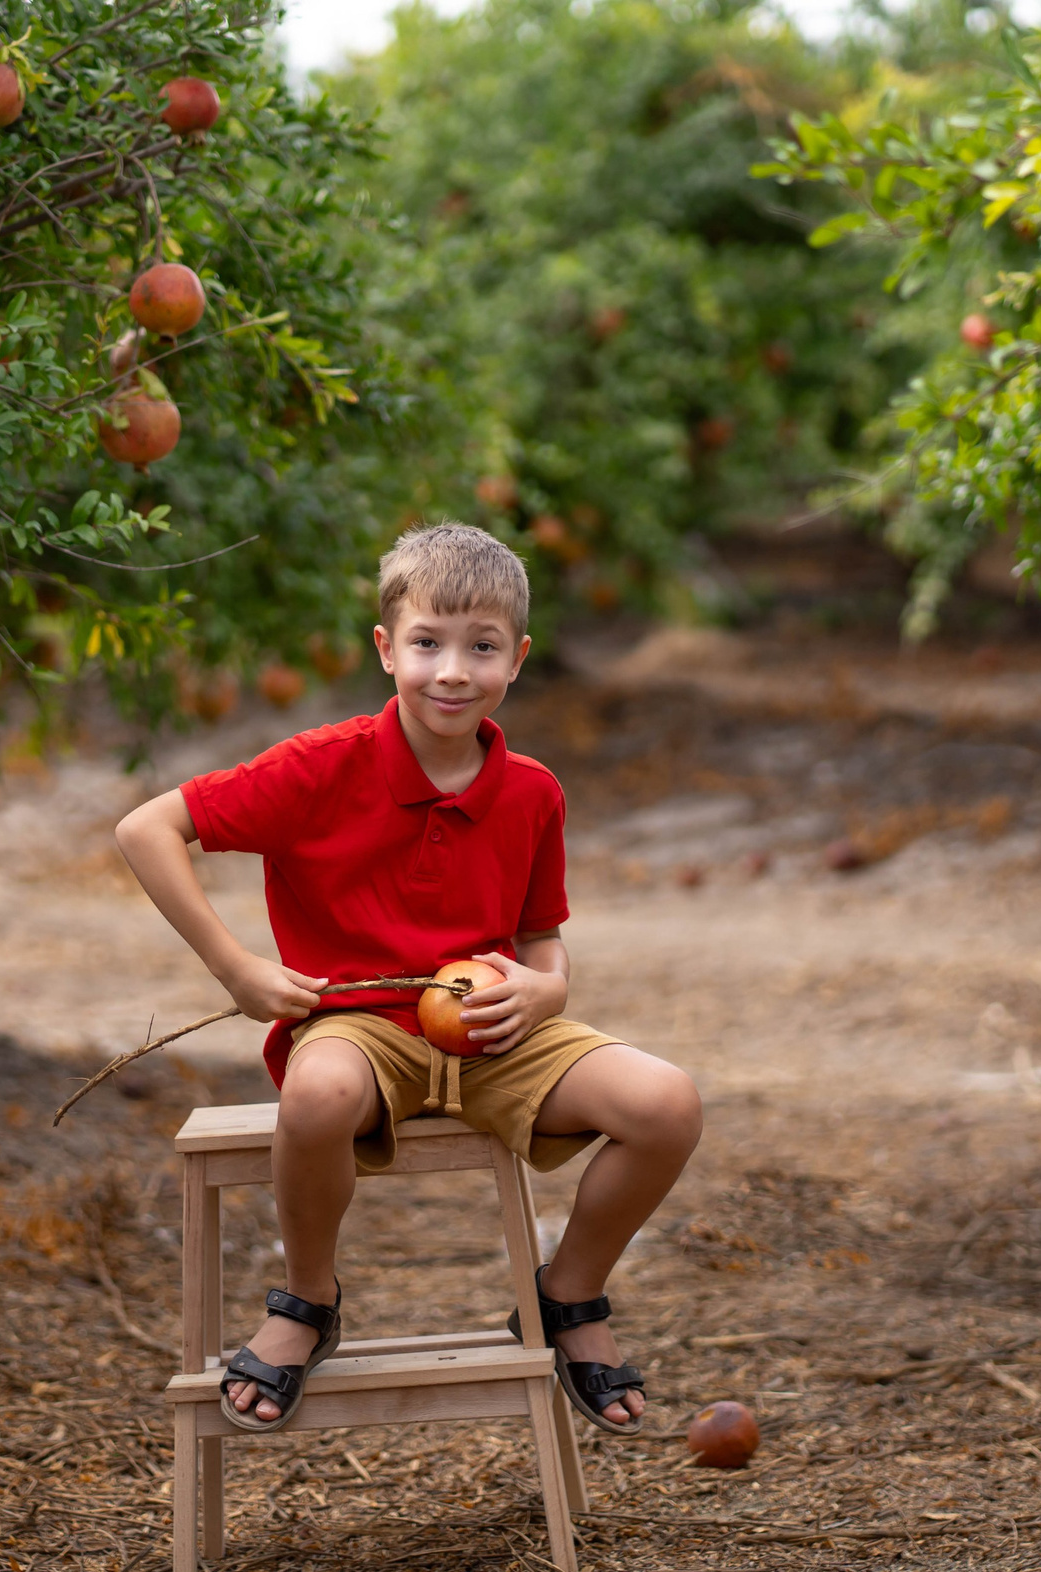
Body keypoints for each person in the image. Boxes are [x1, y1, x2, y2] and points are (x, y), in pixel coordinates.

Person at [115, 522, 702, 1436]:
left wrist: (544, 992)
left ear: (519, 658)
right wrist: (236, 968)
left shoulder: (532, 791)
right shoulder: (319, 768)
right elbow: (146, 828)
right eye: (428, 643)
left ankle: (566, 1294)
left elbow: (544, 942)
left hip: (491, 1030)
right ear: (388, 648)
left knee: (667, 1102)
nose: (453, 670)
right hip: (360, 1024)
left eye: (483, 646)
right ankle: (308, 1301)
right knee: (316, 1095)